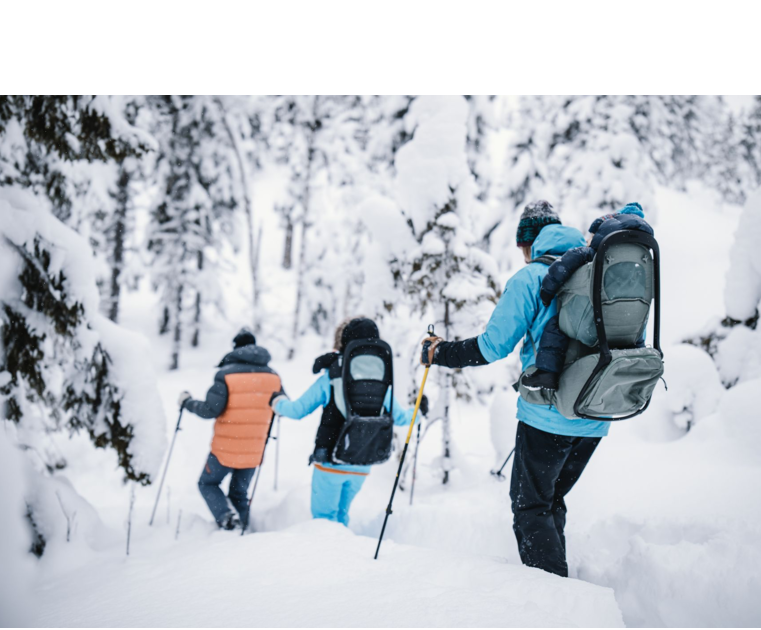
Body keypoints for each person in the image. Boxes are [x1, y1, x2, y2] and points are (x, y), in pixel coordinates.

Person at [420, 201, 608, 579]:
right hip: (596, 415)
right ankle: (563, 588)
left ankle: (554, 600)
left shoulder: (532, 278)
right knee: (550, 499)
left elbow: (492, 347)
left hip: (549, 416)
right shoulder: (597, 268)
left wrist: (439, 352)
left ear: (528, 243)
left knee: (530, 507)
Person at [271, 317, 427, 528]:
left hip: (330, 461)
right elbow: (401, 418)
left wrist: (277, 402)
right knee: (341, 518)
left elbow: (298, 410)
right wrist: (419, 411)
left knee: (323, 522)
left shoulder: (332, 376)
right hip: (362, 464)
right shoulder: (381, 382)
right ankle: (343, 557)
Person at [520, 203, 654, 390]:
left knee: (556, 325)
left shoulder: (592, 252)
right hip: (630, 325)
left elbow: (563, 266)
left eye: (591, 236)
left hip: (596, 325)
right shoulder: (641, 257)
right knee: (634, 335)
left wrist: (547, 291)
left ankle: (547, 374)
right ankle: (637, 364)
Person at [179, 330, 282, 532]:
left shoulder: (226, 375)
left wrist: (187, 402)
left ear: (235, 347)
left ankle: (227, 519)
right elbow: (281, 407)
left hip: (225, 447)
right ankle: (245, 530)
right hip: (255, 448)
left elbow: (210, 410)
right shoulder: (274, 377)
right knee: (239, 493)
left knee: (207, 484)